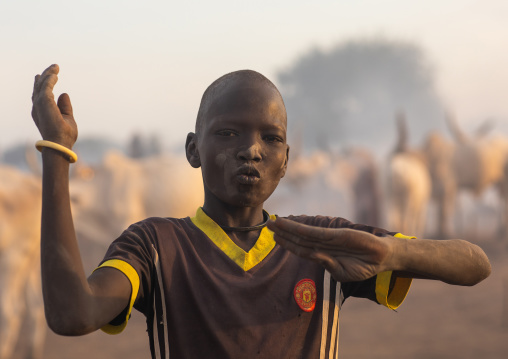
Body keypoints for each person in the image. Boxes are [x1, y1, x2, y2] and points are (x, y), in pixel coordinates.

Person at [31, 64, 491, 359]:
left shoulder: (323, 243)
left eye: (270, 138)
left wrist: (394, 254)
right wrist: (57, 152)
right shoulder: (155, 246)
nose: (251, 150)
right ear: (193, 150)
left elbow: (475, 265)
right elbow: (73, 315)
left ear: (286, 160)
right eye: (228, 134)